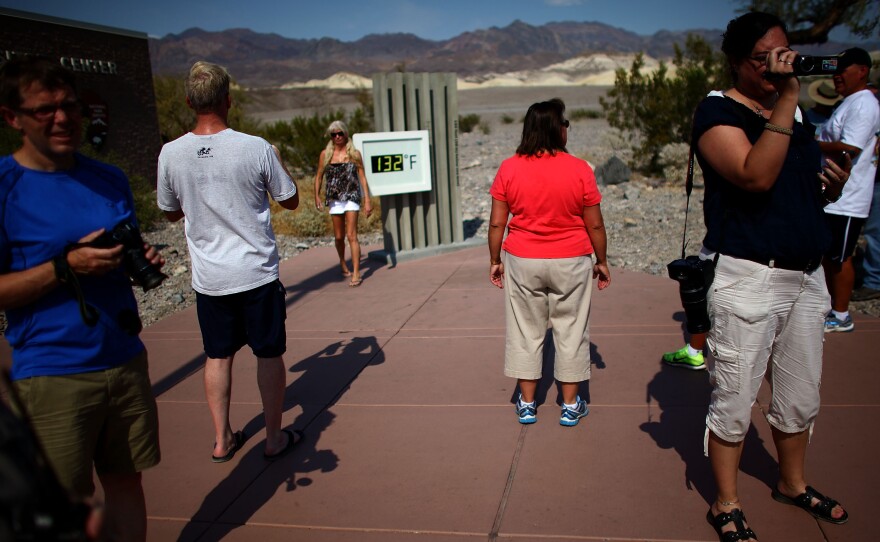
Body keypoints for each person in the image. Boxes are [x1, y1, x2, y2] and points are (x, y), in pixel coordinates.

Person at [694, 12, 851, 541]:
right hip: (748, 275)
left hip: (806, 278)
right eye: (762, 58)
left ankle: (792, 482)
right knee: (735, 398)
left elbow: (788, 184)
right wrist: (787, 98)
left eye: (782, 54)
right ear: (736, 61)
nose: (776, 66)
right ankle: (726, 503)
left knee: (800, 395)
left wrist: (825, 184)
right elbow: (754, 176)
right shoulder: (718, 111)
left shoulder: (796, 114)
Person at [0, 57, 162, 541]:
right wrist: (64, 267)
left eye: (69, 105)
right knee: (62, 505)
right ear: (12, 118)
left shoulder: (109, 178)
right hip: (53, 372)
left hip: (125, 357)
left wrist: (139, 259)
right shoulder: (6, 187)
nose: (62, 118)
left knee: (127, 481)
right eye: (43, 109)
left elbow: (120, 247)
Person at [157, 61, 302, 463]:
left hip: (210, 277)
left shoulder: (170, 153)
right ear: (229, 101)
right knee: (268, 353)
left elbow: (170, 213)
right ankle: (273, 438)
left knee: (217, 355)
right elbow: (290, 199)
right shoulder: (254, 147)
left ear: (189, 101)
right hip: (255, 272)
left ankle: (222, 439)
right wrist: (276, 157)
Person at [488, 98, 610, 427]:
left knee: (525, 330)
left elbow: (498, 223)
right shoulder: (580, 169)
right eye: (565, 123)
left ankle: (527, 403)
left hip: (522, 258)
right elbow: (595, 224)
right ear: (556, 130)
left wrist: (495, 259)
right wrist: (602, 260)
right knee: (571, 330)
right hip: (572, 259)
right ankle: (570, 406)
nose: (568, 127)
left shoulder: (509, 167)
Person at [818, 48, 880, 331]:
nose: (837, 75)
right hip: (833, 196)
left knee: (841, 258)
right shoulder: (850, 102)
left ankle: (841, 315)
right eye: (835, 69)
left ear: (862, 71)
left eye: (844, 69)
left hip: (849, 196)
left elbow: (851, 147)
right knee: (828, 256)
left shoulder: (864, 104)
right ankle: (830, 307)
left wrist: (811, 144)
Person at [314, 120, 372, 287]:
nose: (337, 137)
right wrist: (316, 196)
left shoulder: (354, 154)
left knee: (351, 235)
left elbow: (362, 177)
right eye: (334, 134)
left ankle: (356, 272)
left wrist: (367, 199)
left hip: (352, 196)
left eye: (340, 133)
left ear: (346, 134)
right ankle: (342, 262)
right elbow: (319, 176)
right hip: (334, 198)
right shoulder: (325, 154)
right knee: (339, 237)